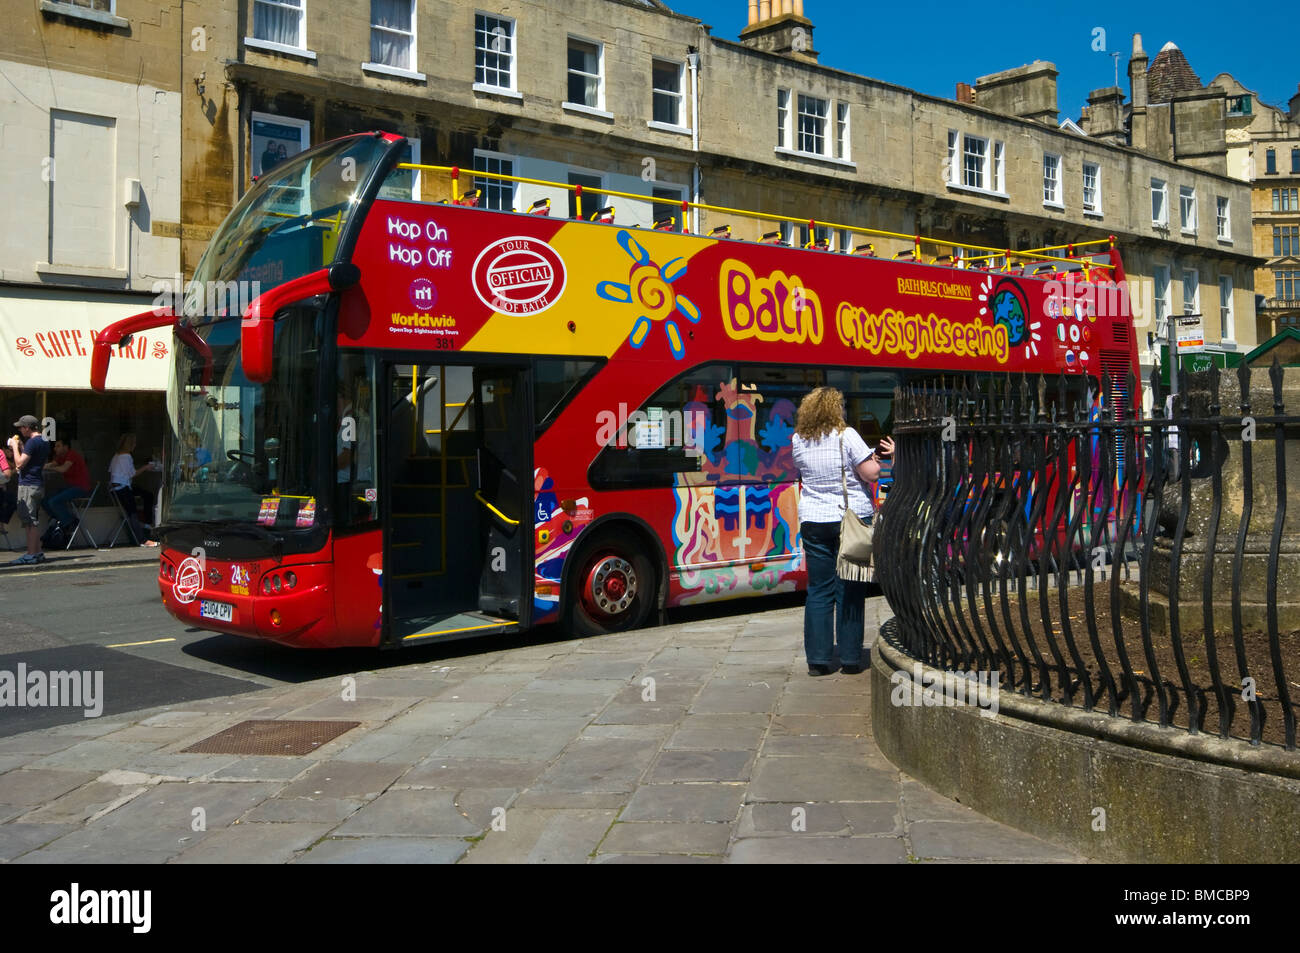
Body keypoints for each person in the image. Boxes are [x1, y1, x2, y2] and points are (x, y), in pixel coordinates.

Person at [791, 388, 894, 676]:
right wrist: (882, 458)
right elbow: (871, 473)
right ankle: (850, 658)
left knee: (819, 590)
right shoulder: (846, 435)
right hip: (846, 519)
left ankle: (818, 660)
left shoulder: (798, 439)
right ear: (836, 410)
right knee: (849, 589)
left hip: (813, 519)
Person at [7, 414, 51, 564]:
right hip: (38, 484)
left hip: (28, 485)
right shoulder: (44, 440)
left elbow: (19, 464)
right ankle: (38, 552)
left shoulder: (32, 442)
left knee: (29, 522)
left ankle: (31, 554)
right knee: (34, 520)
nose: (19, 430)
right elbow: (33, 458)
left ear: (27, 427)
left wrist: (14, 447)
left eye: (21, 427)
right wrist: (21, 448)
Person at [109, 433, 158, 547]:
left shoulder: (116, 456)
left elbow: (113, 472)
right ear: (130, 444)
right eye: (134, 443)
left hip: (115, 488)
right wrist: (146, 467)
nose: (135, 445)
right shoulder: (127, 456)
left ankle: (146, 525)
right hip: (122, 489)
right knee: (133, 513)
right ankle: (143, 538)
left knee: (146, 495)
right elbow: (132, 474)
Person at [42, 438, 92, 534]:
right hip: (69, 487)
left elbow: (63, 469)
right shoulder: (60, 457)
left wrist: (53, 468)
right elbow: (51, 464)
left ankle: (69, 522)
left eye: (58, 446)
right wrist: (39, 467)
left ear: (66, 447)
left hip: (80, 487)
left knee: (54, 501)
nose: (55, 449)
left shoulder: (71, 454)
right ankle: (60, 518)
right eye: (55, 446)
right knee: (45, 500)